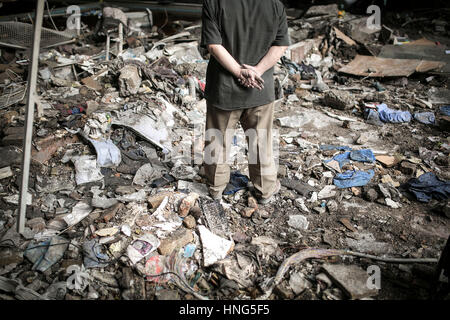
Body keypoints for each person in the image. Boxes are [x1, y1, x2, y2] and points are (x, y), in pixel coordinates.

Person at [201, 0, 290, 204]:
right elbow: (281, 45)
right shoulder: (275, 5)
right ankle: (265, 191)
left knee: (217, 141)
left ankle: (216, 189)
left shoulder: (213, 3)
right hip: (260, 88)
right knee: (261, 141)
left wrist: (239, 72)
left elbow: (214, 46)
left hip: (224, 89)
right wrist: (257, 71)